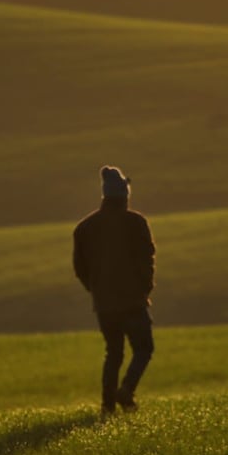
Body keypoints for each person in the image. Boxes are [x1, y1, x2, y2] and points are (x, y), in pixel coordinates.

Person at [73, 166, 156, 415]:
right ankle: (126, 391)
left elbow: (80, 268)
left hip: (105, 303)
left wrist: (96, 289)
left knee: (114, 353)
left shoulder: (84, 228)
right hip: (133, 301)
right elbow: (147, 259)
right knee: (143, 348)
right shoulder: (136, 222)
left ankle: (108, 405)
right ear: (125, 195)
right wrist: (144, 288)